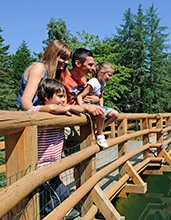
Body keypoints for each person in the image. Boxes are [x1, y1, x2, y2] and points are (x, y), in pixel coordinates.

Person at [33, 78, 83, 219]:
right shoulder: (38, 111)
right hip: (41, 164)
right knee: (59, 192)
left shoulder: (61, 114)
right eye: (60, 96)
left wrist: (70, 108)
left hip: (54, 163)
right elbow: (51, 108)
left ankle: (51, 213)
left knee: (48, 195)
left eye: (65, 96)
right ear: (46, 97)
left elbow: (79, 109)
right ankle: (62, 212)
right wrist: (68, 108)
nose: (63, 100)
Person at [63, 48, 108, 148]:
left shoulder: (85, 81)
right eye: (90, 65)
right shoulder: (63, 77)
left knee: (79, 150)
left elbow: (90, 98)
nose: (93, 68)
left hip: (76, 121)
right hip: (63, 120)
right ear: (78, 63)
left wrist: (96, 99)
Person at [16, 39, 71, 111]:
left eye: (68, 59)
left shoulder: (58, 74)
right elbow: (26, 99)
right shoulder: (39, 68)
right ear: (53, 55)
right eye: (62, 58)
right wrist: (34, 114)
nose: (66, 62)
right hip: (30, 115)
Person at [77, 62, 119, 148]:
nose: (110, 78)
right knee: (102, 112)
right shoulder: (94, 82)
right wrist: (81, 108)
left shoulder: (102, 83)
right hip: (86, 105)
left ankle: (97, 130)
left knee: (115, 114)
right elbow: (80, 96)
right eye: (109, 75)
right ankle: (100, 135)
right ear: (101, 73)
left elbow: (101, 96)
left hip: (95, 105)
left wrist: (102, 106)